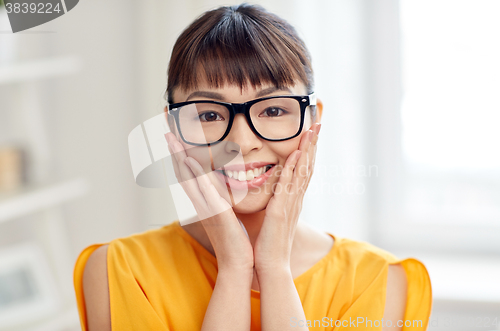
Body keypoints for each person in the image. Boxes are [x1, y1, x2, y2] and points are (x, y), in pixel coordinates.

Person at [74, 3, 432, 331]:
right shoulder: (117, 272)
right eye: (210, 115)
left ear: (312, 120)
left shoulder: (379, 282)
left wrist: (274, 269)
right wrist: (233, 269)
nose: (243, 143)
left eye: (273, 110)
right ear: (172, 127)